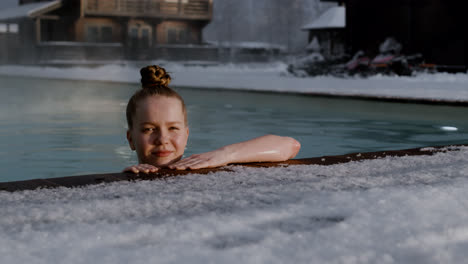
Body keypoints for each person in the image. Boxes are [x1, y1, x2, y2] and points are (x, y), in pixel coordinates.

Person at [123, 65, 301, 174]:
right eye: (149, 129)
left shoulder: (206, 164)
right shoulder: (122, 179)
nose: (162, 139)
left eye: (173, 128)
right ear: (131, 139)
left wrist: (225, 155)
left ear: (186, 135)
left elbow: (290, 145)